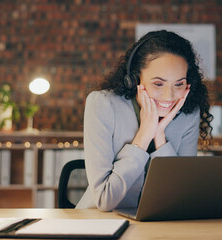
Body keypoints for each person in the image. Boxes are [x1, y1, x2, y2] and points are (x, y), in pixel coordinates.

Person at [76, 30, 213, 211]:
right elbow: (105, 200)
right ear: (133, 80)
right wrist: (143, 137)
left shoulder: (188, 114)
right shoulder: (103, 104)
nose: (168, 96)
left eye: (179, 84)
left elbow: (181, 196)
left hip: (159, 225)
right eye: (158, 83)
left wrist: (159, 136)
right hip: (101, 222)